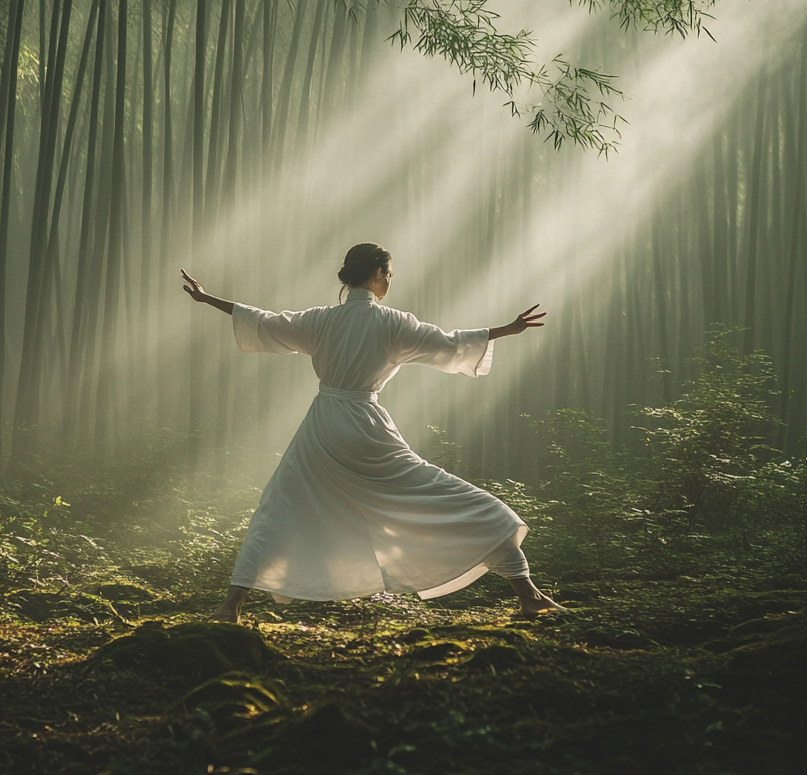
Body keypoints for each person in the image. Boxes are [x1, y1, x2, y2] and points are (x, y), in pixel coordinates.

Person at [181, 242, 563, 622]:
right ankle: (528, 594)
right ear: (378, 273)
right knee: (451, 499)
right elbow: (450, 343)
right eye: (389, 275)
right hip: (366, 426)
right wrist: (507, 330)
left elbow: (262, 320)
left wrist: (206, 298)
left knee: (279, 509)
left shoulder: (321, 319)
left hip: (322, 428)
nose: (389, 282)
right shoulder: (393, 322)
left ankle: (230, 606)